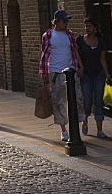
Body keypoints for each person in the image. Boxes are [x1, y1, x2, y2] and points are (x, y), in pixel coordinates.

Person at [39, 9, 83, 142]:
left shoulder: (69, 34)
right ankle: (64, 130)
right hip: (56, 72)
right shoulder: (48, 35)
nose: (66, 23)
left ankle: (80, 123)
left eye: (67, 21)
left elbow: (74, 51)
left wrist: (81, 66)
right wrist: (43, 72)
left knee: (78, 99)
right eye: (64, 21)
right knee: (59, 101)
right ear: (56, 22)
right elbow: (44, 54)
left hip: (71, 71)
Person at [76, 16, 110, 138]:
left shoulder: (100, 42)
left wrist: (107, 74)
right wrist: (80, 68)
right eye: (86, 26)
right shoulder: (80, 40)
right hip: (86, 75)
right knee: (87, 100)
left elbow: (103, 59)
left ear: (95, 28)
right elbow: (76, 55)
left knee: (99, 101)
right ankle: (85, 119)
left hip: (98, 74)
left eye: (90, 26)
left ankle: (99, 129)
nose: (87, 28)